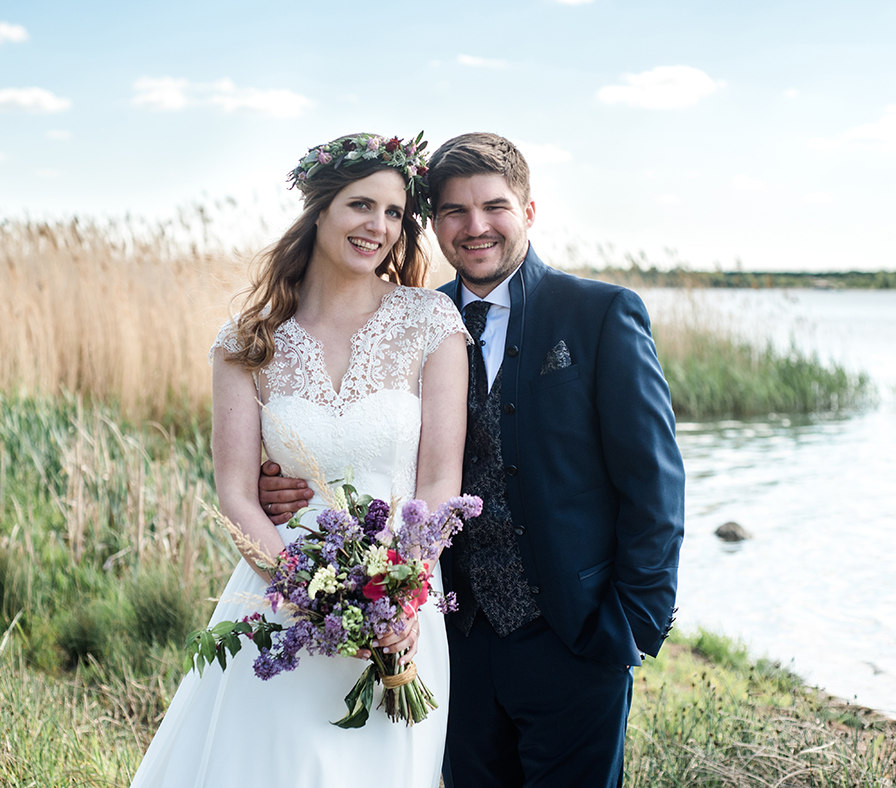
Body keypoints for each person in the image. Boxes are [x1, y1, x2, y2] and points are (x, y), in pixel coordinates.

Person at [261, 132, 685, 787]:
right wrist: (286, 484)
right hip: (450, 639)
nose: (475, 226)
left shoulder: (598, 313)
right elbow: (365, 443)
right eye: (453, 211)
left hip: (575, 637)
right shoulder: (415, 321)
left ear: (529, 212)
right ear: (433, 225)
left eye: (494, 207)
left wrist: (632, 627)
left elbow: (653, 483)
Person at [130, 133, 470, 788]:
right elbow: (235, 492)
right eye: (360, 205)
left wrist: (396, 596)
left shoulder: (431, 323)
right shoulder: (247, 340)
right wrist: (310, 597)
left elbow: (437, 481)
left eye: (394, 213)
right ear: (318, 211)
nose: (377, 226)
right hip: (279, 603)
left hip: (399, 605)